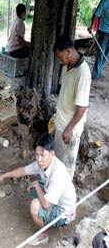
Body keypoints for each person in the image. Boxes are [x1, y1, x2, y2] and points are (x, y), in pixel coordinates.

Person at [0, 133, 77, 246]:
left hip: (65, 212)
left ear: (52, 154)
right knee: (31, 188)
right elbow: (23, 171)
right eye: (37, 155)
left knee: (34, 205)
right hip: (55, 197)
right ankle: (47, 219)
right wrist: (4, 175)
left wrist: (37, 186)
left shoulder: (58, 173)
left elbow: (47, 204)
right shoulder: (43, 163)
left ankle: (46, 233)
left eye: (42, 155)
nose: (39, 159)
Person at [53, 35, 91, 178]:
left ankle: (66, 198)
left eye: (60, 56)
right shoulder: (67, 65)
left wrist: (69, 128)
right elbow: (65, 94)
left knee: (67, 167)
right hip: (60, 123)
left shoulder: (83, 73)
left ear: (68, 51)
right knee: (57, 162)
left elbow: (82, 107)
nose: (59, 59)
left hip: (70, 130)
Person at [90, 0, 109, 82]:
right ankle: (96, 74)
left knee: (107, 53)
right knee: (101, 52)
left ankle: (99, 71)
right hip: (104, 29)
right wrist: (91, 26)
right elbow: (97, 13)